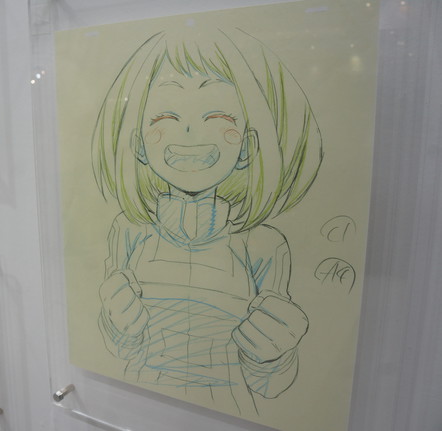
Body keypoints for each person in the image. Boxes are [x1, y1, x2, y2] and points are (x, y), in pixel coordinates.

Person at [92, 28, 322, 416]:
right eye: (166, 116)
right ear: (139, 145)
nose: (189, 131)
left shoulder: (263, 245)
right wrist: (118, 324)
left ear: (248, 146)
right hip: (134, 404)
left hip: (227, 412)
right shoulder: (129, 231)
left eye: (216, 116)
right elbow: (117, 350)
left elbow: (270, 385)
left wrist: (275, 354)